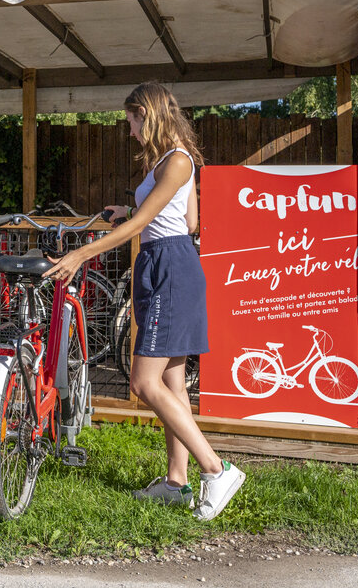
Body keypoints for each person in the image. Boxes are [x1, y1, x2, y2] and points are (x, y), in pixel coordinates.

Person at [46, 81, 245, 521]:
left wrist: (81, 254)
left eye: (132, 121)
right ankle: (176, 483)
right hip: (166, 263)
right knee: (172, 383)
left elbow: (145, 226)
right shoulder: (168, 161)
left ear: (147, 115)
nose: (130, 131)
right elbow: (188, 221)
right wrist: (131, 211)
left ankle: (217, 469)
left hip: (170, 268)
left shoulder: (177, 161)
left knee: (142, 382)